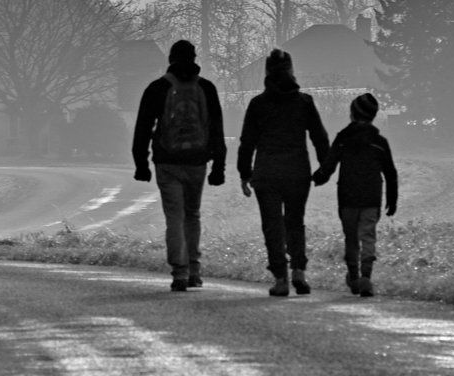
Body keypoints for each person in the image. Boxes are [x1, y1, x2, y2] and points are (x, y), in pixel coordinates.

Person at [132, 39, 226, 291]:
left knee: (174, 216)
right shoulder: (206, 88)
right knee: (192, 215)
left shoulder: (157, 88)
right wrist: (220, 166)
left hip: (167, 162)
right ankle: (194, 269)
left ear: (170, 59)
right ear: (194, 59)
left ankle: (180, 273)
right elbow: (216, 129)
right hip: (197, 162)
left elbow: (143, 128)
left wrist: (141, 163)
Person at [236, 49, 330, 297]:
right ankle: (299, 270)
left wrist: (244, 173)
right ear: (291, 71)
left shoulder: (258, 104)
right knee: (295, 223)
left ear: (267, 72)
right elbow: (319, 136)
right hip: (298, 171)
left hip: (266, 172)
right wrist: (325, 167)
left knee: (272, 225)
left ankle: (281, 278)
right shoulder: (304, 102)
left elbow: (247, 142)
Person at [313, 91, 398, 296]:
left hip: (348, 197)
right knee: (368, 236)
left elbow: (329, 165)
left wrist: (316, 178)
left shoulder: (343, 139)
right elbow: (390, 173)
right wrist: (392, 200)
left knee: (351, 238)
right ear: (373, 115)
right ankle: (366, 277)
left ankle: (353, 277)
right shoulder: (379, 142)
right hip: (371, 197)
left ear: (352, 113)